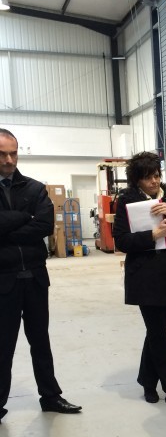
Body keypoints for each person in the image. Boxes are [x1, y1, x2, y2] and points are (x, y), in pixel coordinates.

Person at [0, 127, 81, 421]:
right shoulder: (31, 197)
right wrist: (24, 217)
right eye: (2, 154)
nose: (9, 160)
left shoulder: (34, 188)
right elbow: (32, 223)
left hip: (35, 278)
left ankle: (50, 396)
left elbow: (44, 226)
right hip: (4, 281)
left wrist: (8, 229)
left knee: (40, 341)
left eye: (13, 153)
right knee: (3, 346)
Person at [113, 151, 166, 405]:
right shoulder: (126, 200)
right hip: (144, 274)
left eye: (157, 175)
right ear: (137, 179)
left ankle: (147, 382)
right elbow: (121, 240)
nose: (154, 181)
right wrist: (152, 236)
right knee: (157, 331)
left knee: (156, 331)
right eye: (148, 177)